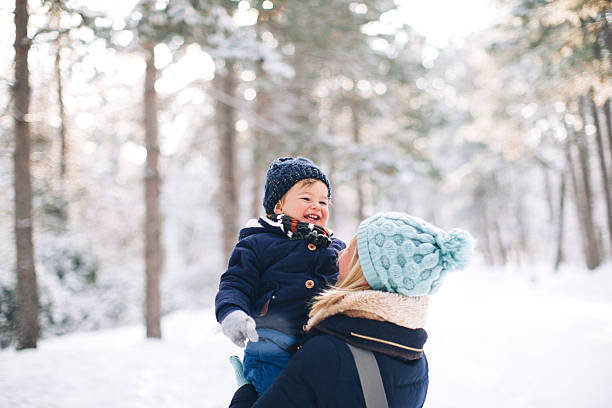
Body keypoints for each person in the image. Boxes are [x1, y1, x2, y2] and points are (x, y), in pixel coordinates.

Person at [228, 211, 473, 408]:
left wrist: (244, 394)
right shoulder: (415, 357)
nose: (339, 253)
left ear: (365, 274)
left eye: (351, 250)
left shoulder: (327, 354)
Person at [215, 157, 346, 396]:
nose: (316, 206)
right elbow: (235, 282)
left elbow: (351, 284)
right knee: (274, 398)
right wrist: (231, 312)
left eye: (323, 201)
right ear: (278, 206)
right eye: (306, 198)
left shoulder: (335, 247)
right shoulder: (258, 242)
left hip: (322, 345)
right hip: (269, 345)